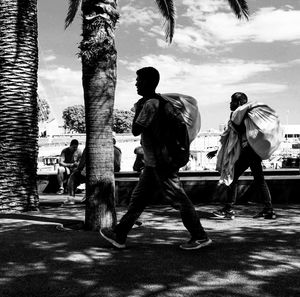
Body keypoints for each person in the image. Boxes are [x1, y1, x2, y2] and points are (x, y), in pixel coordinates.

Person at [100, 66, 211, 250]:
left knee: (180, 200)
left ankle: (200, 236)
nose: (136, 84)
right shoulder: (158, 102)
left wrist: (138, 107)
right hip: (154, 163)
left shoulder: (150, 103)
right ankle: (120, 235)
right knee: (138, 199)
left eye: (139, 80)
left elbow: (136, 129)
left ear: (149, 82)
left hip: (161, 163)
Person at [207, 92, 276, 219]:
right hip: (254, 150)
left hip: (247, 150)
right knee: (259, 179)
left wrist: (232, 123)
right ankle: (268, 210)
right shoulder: (248, 114)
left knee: (232, 176)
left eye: (232, 101)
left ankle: (228, 209)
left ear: (239, 103)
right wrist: (216, 151)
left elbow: (237, 132)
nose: (230, 104)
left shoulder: (239, 114)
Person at [64, 137, 122, 204]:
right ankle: (87, 195)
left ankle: (71, 199)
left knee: (74, 176)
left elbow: (81, 164)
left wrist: (78, 169)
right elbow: (117, 166)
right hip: (111, 174)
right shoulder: (118, 150)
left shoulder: (90, 147)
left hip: (93, 174)